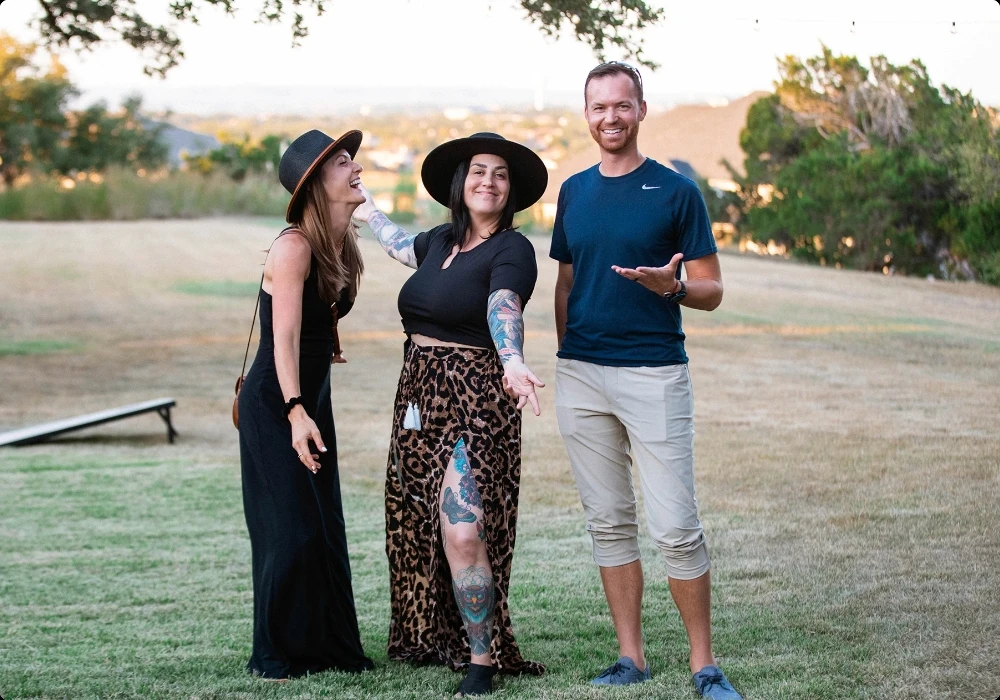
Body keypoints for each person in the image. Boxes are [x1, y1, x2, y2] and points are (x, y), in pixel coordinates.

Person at [549, 62, 743, 700]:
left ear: (641, 109)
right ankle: (630, 657)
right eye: (599, 107)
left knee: (676, 526)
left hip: (654, 374)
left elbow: (712, 289)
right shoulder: (574, 191)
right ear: (587, 114)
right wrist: (568, 355)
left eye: (622, 105)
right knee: (608, 522)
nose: (611, 117)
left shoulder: (676, 192)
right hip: (582, 377)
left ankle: (704, 666)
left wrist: (674, 286)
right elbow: (566, 283)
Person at [352, 132, 548, 696]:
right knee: (419, 522)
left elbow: (503, 306)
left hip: (477, 399)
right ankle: (434, 633)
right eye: (479, 171)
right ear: (461, 182)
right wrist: (369, 210)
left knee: (463, 530)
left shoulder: (511, 249)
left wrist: (512, 361)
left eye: (500, 175)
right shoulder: (440, 241)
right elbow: (398, 245)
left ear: (510, 191)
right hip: (418, 395)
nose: (489, 181)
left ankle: (482, 659)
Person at [237, 129, 374, 681]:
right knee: (289, 529)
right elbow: (285, 338)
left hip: (312, 399)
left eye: (351, 159)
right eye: (342, 163)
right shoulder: (293, 246)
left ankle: (330, 648)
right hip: (278, 403)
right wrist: (295, 411)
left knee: (324, 525)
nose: (355, 167)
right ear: (316, 183)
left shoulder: (342, 244)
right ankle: (275, 655)